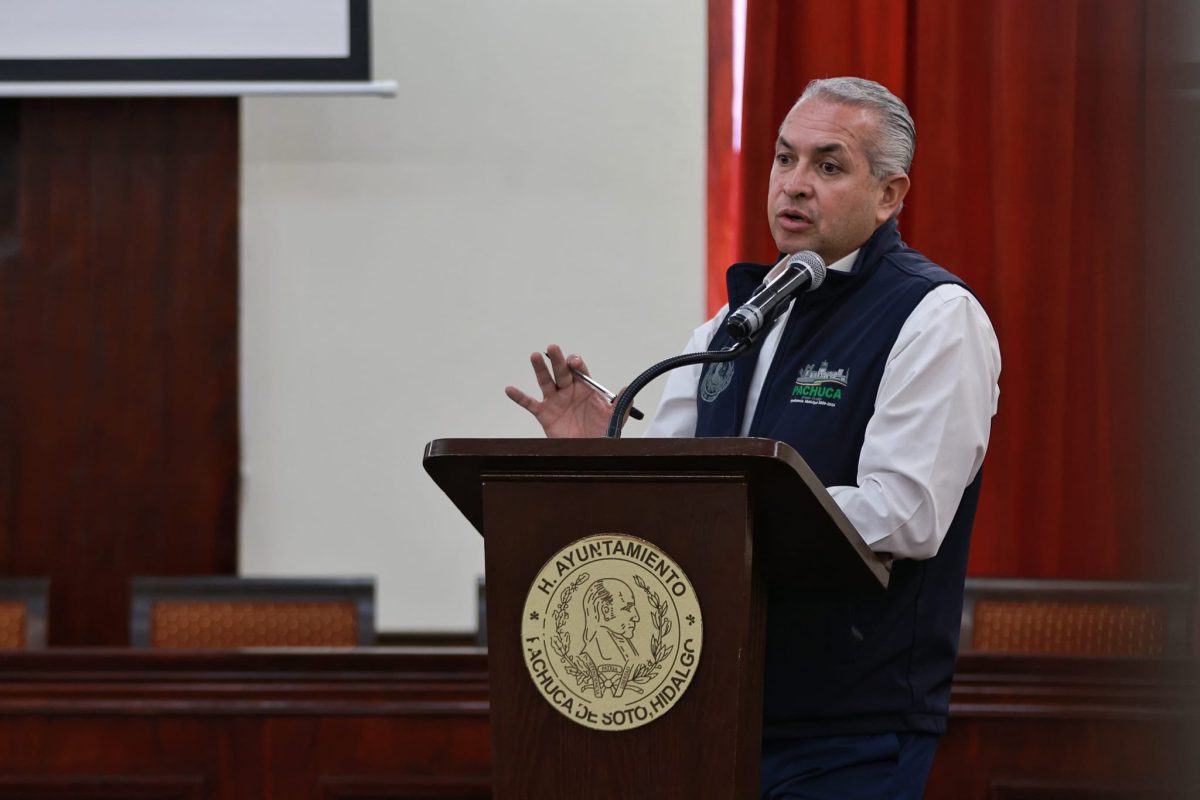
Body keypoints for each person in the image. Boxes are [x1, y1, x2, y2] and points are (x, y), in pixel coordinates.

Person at [505, 76, 1001, 800]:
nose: (794, 184)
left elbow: (907, 513)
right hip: (709, 705)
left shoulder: (932, 315)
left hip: (850, 725)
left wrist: (739, 512)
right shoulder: (734, 323)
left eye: (828, 166)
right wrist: (604, 452)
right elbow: (671, 501)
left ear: (889, 195)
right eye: (784, 158)